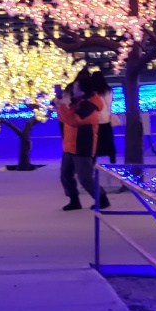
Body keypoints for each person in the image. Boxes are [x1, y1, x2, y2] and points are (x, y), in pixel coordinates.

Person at [56, 72, 110, 211]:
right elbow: (65, 119)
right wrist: (60, 104)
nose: (73, 90)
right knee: (65, 174)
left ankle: (102, 199)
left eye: (76, 87)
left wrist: (61, 106)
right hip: (70, 145)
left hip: (83, 146)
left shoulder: (89, 107)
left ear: (84, 91)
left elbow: (73, 121)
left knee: (85, 178)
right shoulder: (77, 103)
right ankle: (74, 200)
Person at [90, 70, 117, 163]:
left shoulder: (92, 92)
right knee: (109, 142)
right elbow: (109, 103)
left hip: (95, 119)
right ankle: (113, 160)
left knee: (94, 143)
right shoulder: (108, 90)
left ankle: (93, 162)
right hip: (106, 119)